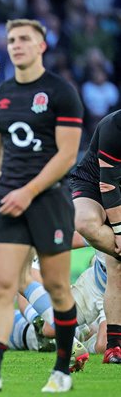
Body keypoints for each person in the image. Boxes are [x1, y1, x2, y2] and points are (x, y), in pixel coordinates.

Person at [0, 19, 84, 392]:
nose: (17, 45)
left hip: (48, 201)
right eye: (11, 39)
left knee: (58, 288)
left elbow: (67, 154)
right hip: (7, 203)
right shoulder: (2, 97)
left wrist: (29, 191)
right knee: (1, 286)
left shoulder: (62, 92)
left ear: (42, 46)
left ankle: (61, 369)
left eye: (25, 39)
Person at [70, 108, 121, 364]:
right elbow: (108, 184)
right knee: (84, 222)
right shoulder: (114, 126)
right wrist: (119, 232)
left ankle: (114, 346)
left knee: (116, 264)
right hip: (94, 186)